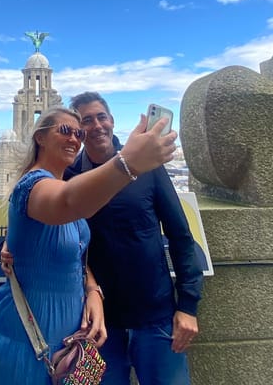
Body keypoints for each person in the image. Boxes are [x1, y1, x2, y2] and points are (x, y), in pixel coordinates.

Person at [0, 105, 177, 385]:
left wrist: (92, 291)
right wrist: (129, 162)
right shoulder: (33, 184)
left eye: (78, 133)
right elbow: (68, 202)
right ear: (40, 137)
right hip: (27, 335)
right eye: (65, 130)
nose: (75, 138)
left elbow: (73, 252)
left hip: (67, 334)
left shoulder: (64, 180)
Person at [63, 92, 204, 385]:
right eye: (86, 120)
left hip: (155, 317)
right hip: (96, 324)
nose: (97, 125)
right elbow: (43, 226)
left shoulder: (147, 167)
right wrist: (9, 247)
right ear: (78, 131)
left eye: (102, 117)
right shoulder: (68, 178)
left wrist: (188, 306)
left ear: (112, 121)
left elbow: (180, 235)